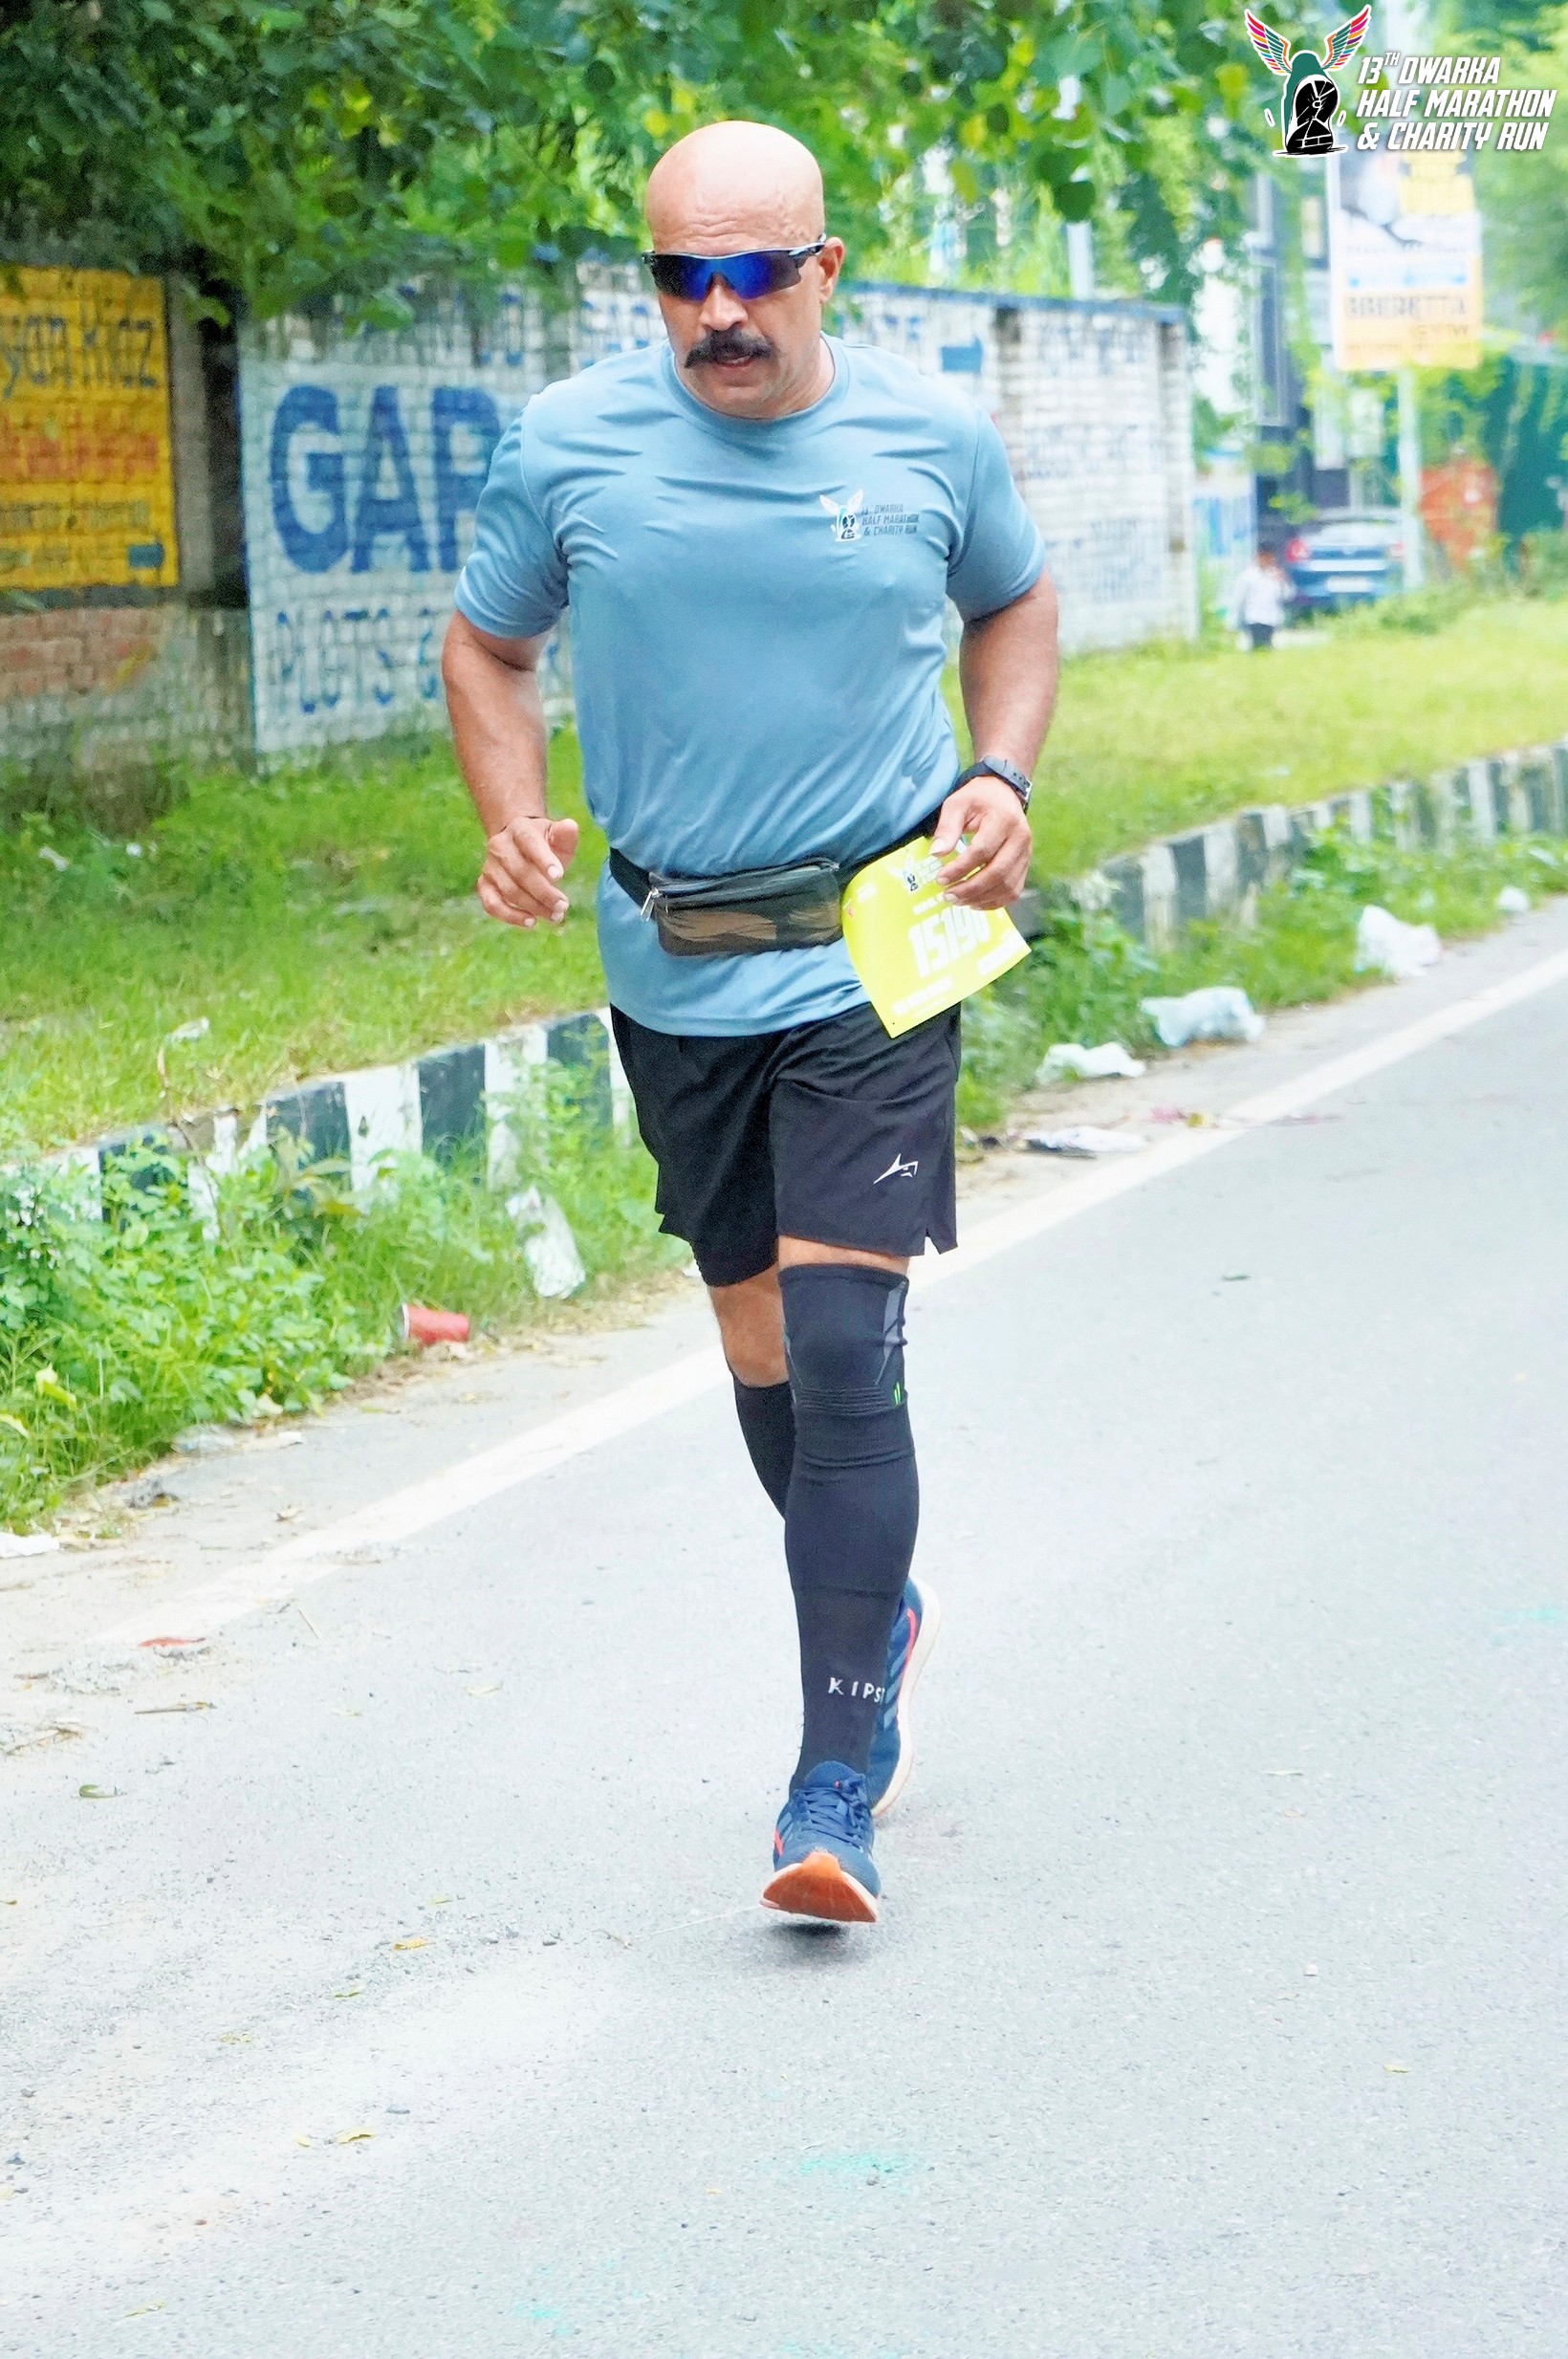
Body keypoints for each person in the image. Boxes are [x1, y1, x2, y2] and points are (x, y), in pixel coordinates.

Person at [442, 120, 1058, 1928]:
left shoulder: (930, 437)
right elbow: (489, 645)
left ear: (824, 269)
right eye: (680, 277)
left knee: (849, 1340)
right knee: (763, 1339)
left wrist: (1000, 772)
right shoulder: (571, 444)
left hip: (882, 938)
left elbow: (1016, 600)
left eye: (754, 273)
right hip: (676, 959)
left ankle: (832, 1781)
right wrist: (509, 812)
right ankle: (881, 1601)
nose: (718, 310)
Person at [1230, 546, 1290, 649]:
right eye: (1263, 557)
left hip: (1271, 618)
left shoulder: (1276, 575)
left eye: (1269, 557)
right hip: (1254, 617)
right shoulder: (1248, 576)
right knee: (1257, 645)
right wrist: (1234, 619)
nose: (1266, 560)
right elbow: (1239, 598)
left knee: (1267, 646)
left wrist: (1282, 582)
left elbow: (1287, 596)